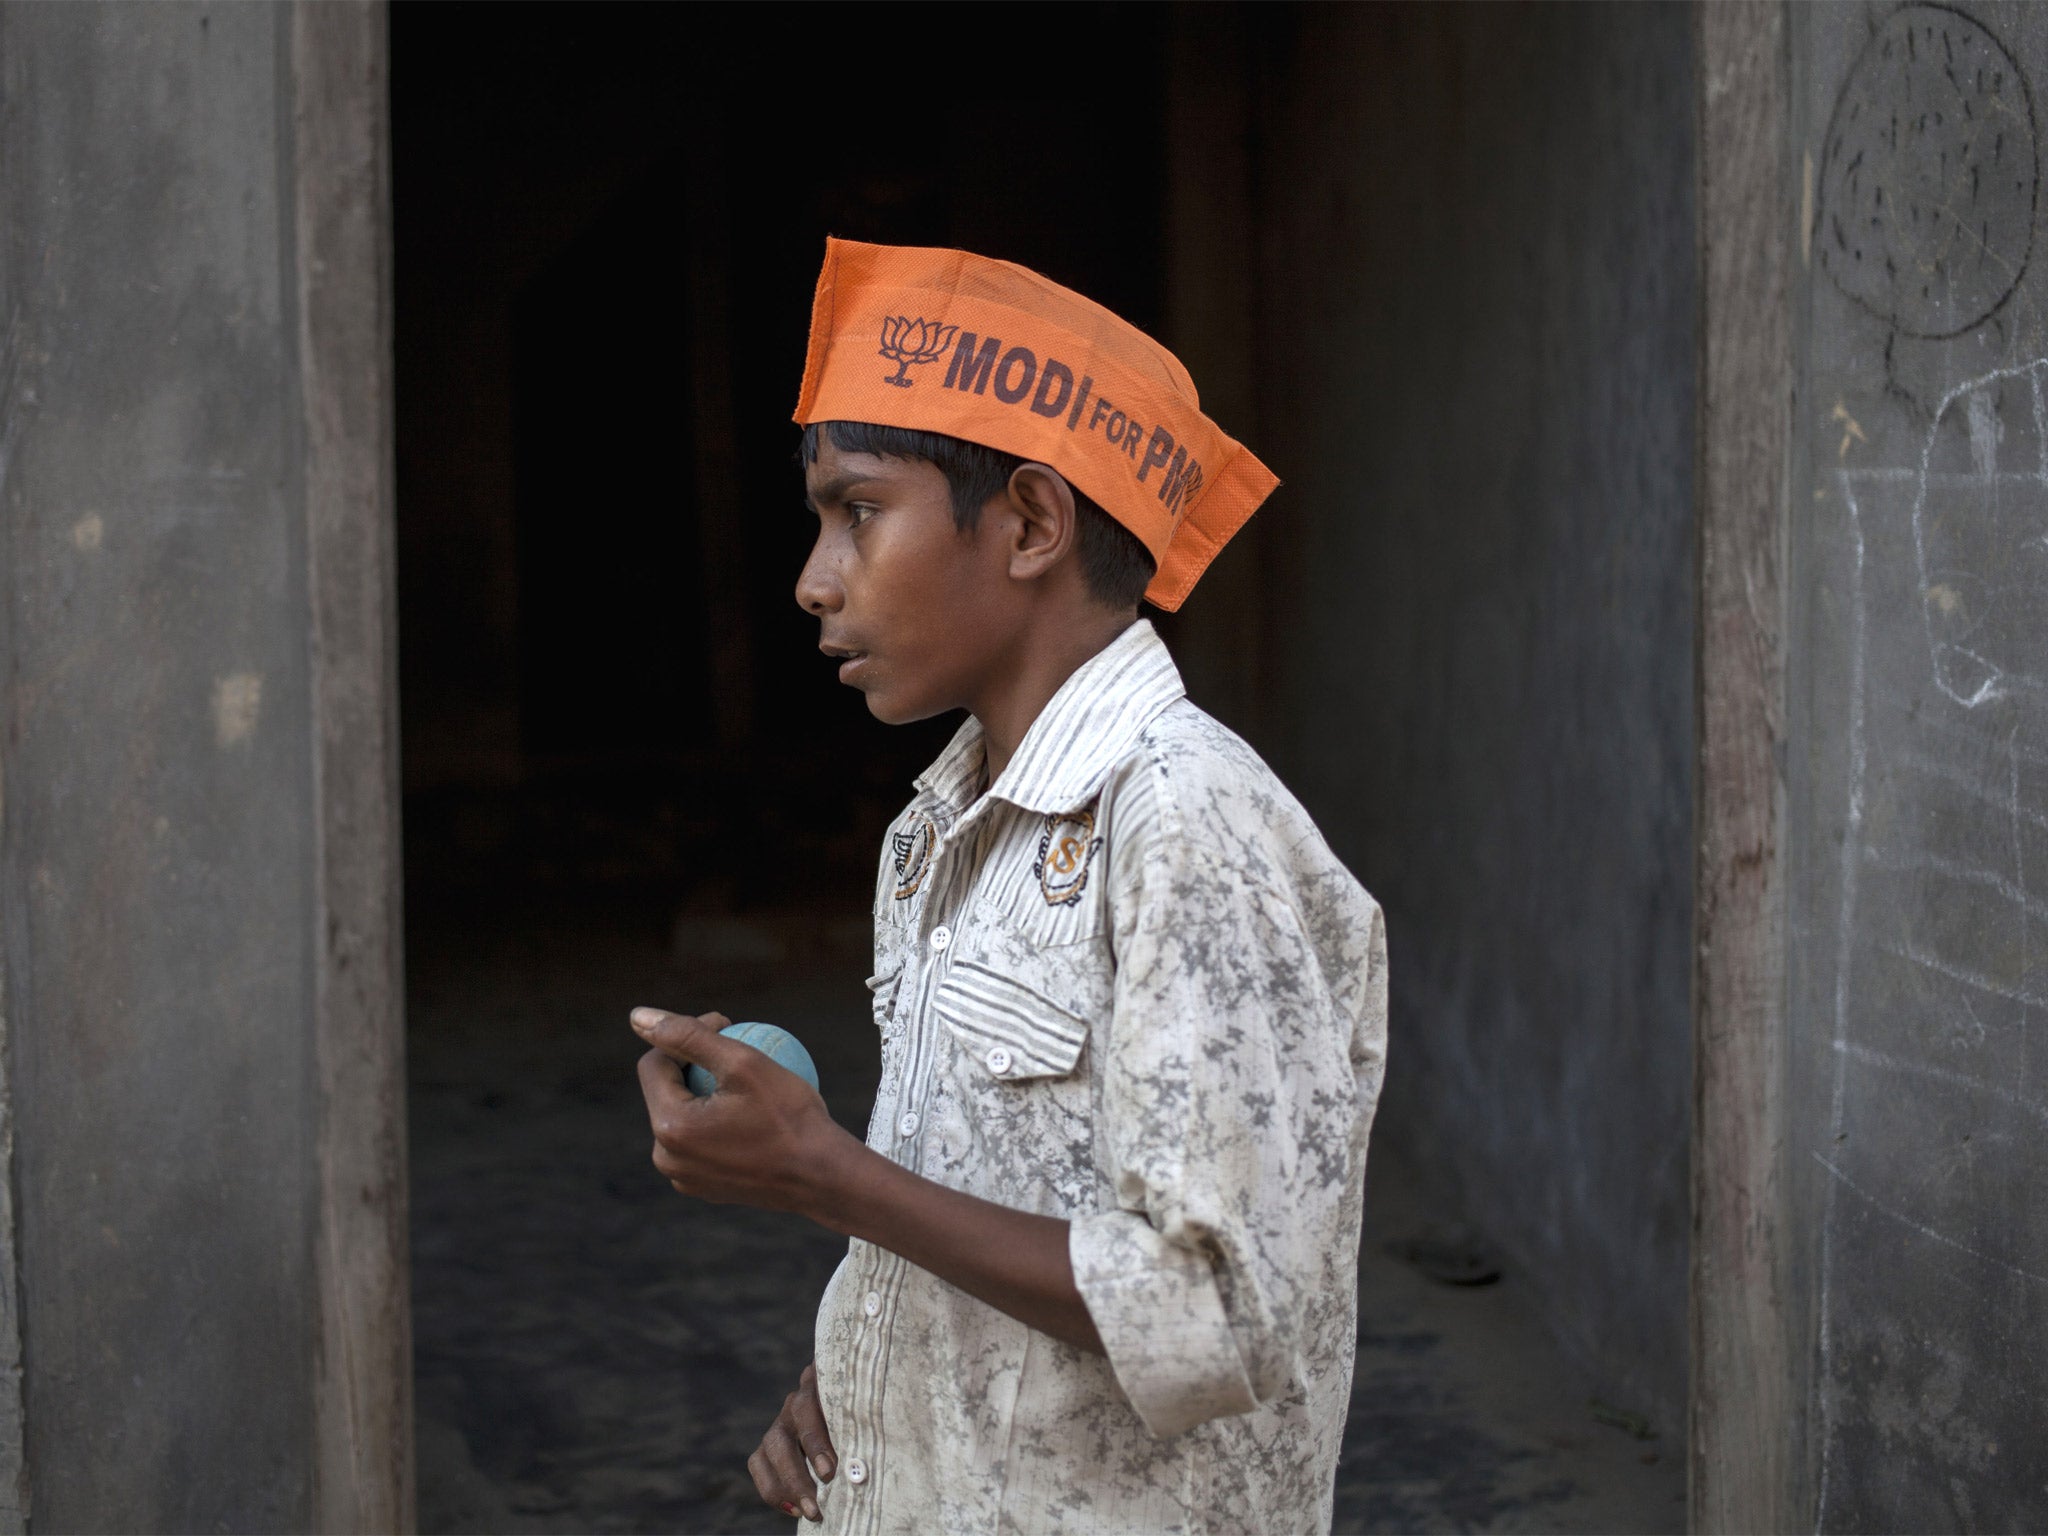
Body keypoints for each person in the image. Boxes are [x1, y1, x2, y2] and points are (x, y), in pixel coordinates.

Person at [631, 239, 1386, 1534]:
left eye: (857, 510)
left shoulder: (1189, 824)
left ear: (1032, 523)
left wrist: (825, 1172)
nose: (814, 577)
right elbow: (999, 1213)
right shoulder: (939, 833)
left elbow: (1213, 1318)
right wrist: (874, 1389)